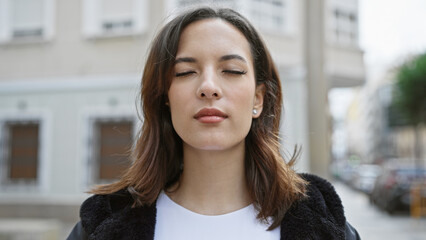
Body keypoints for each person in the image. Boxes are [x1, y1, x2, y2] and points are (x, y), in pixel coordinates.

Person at [67, 7, 360, 240]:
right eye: (185, 72)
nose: (208, 87)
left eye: (231, 70)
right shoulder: (103, 224)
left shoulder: (324, 221)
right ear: (165, 98)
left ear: (258, 99)